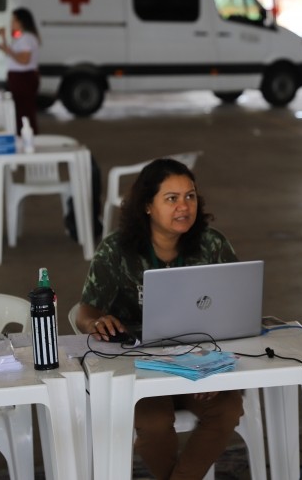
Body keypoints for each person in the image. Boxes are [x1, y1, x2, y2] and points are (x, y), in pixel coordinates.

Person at [75, 158, 243, 480]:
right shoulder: (117, 250)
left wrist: (215, 368)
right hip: (142, 368)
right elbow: (86, 310)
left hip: (200, 363)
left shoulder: (212, 245)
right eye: (172, 198)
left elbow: (236, 308)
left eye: (190, 196)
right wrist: (95, 323)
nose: (184, 207)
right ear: (148, 206)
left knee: (227, 409)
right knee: (153, 424)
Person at [0, 7, 40, 135]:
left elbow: (24, 59)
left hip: (23, 78)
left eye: (14, 20)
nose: (11, 23)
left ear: (21, 21)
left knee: (24, 111)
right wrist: (4, 39)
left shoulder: (26, 38)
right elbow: (12, 54)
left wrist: (8, 50)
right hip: (20, 77)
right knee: (21, 110)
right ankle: (24, 134)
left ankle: (27, 135)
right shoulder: (21, 37)